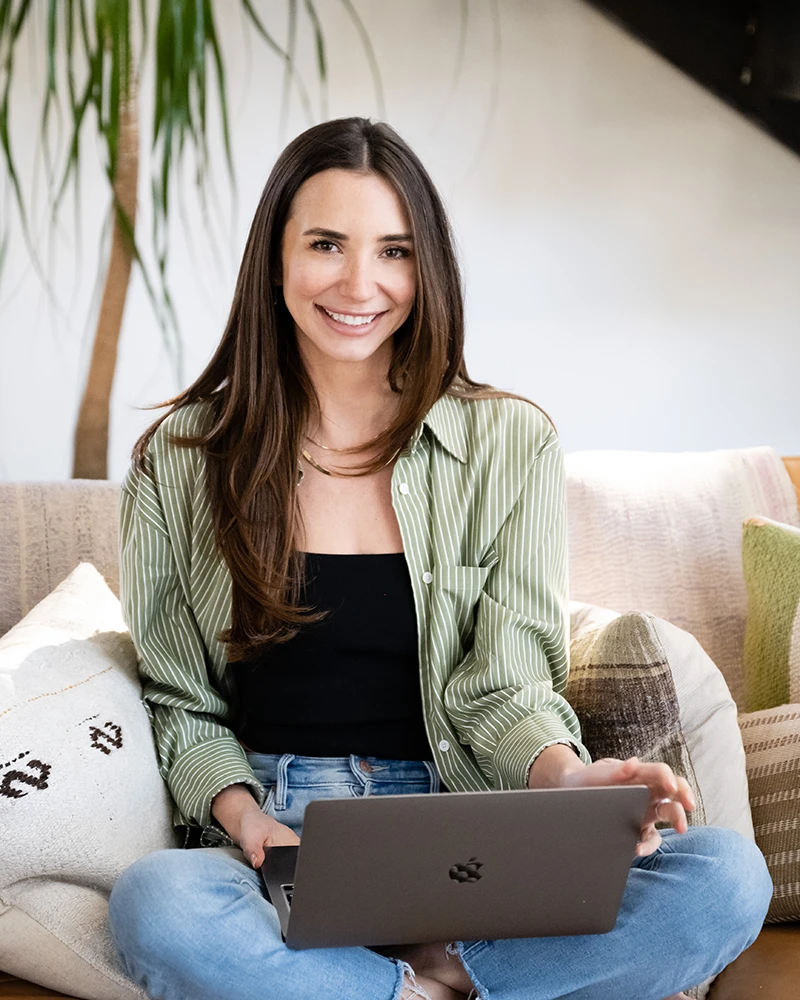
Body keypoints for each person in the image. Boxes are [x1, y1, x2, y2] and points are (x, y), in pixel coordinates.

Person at [107, 117, 772, 1000]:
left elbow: (505, 687)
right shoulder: (180, 459)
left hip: (469, 825)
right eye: (326, 245)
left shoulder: (511, 443)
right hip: (281, 834)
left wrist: (574, 781)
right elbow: (180, 705)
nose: (359, 283)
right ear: (275, 259)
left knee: (728, 877)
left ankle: (438, 972)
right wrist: (249, 822)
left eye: (394, 251)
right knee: (156, 906)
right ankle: (423, 988)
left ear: (427, 272)